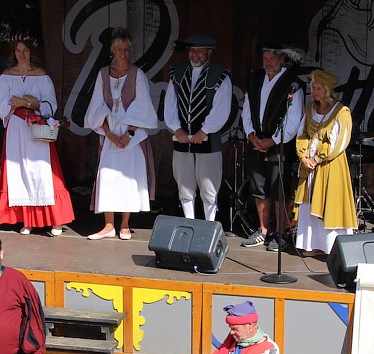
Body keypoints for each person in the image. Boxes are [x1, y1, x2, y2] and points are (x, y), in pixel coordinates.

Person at [0, 34, 74, 237]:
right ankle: (27, 220)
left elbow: (50, 104)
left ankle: (54, 221)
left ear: (31, 52)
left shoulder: (42, 76)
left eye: (25, 50)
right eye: (18, 51)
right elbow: (0, 106)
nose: (22, 54)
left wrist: (29, 103)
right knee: (20, 173)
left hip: (37, 129)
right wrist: (16, 103)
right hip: (17, 129)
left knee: (43, 172)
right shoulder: (6, 76)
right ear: (13, 53)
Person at [84, 27, 157, 240]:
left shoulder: (137, 74)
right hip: (110, 134)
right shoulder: (103, 74)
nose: (123, 53)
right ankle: (108, 225)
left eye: (126, 49)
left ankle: (124, 223)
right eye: (119, 49)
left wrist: (129, 134)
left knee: (128, 178)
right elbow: (97, 104)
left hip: (131, 136)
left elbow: (143, 106)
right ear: (112, 50)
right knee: (107, 176)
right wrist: (108, 133)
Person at [241, 43, 304, 252]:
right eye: (265, 58)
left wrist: (273, 141)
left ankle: (280, 233)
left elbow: (294, 120)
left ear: (283, 59)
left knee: (278, 191)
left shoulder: (293, 84)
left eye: (272, 59)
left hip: (278, 145)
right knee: (259, 189)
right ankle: (263, 230)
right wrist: (250, 135)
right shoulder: (255, 78)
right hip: (256, 141)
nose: (268, 63)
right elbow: (247, 109)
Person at [164, 33, 232, 221]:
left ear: (209, 52)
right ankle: (189, 222)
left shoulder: (220, 75)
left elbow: (221, 109)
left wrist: (204, 131)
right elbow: (170, 104)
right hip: (182, 140)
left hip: (208, 141)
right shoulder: (177, 72)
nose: (195, 55)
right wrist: (177, 129)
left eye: (200, 51)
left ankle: (209, 226)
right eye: (192, 50)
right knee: (184, 186)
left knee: (208, 187)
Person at [294, 69, 356, 254]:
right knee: (309, 203)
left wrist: (318, 158)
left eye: (318, 88)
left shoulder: (341, 112)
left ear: (327, 90)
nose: (314, 91)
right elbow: (302, 134)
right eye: (313, 87)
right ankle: (312, 245)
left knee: (330, 203)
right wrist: (304, 157)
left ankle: (331, 247)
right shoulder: (309, 109)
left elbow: (339, 142)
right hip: (309, 166)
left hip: (330, 166)